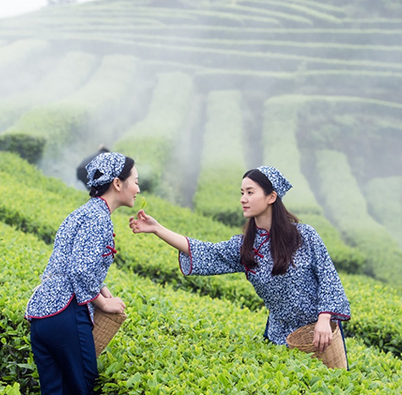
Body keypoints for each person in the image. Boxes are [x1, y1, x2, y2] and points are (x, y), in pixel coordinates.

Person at [129, 166, 351, 357]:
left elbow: (327, 277)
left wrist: (324, 319)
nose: (243, 199)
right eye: (242, 192)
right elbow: (205, 251)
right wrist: (157, 229)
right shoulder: (245, 246)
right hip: (279, 337)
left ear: (271, 197)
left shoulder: (304, 236)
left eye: (250, 192)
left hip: (321, 335)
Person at [26, 152, 138, 394]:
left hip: (42, 315)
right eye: (135, 181)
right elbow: (81, 269)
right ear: (118, 183)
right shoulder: (98, 218)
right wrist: (104, 304)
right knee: (81, 383)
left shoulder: (83, 212)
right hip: (67, 311)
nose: (138, 188)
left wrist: (102, 288)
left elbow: (72, 263)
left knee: (54, 389)